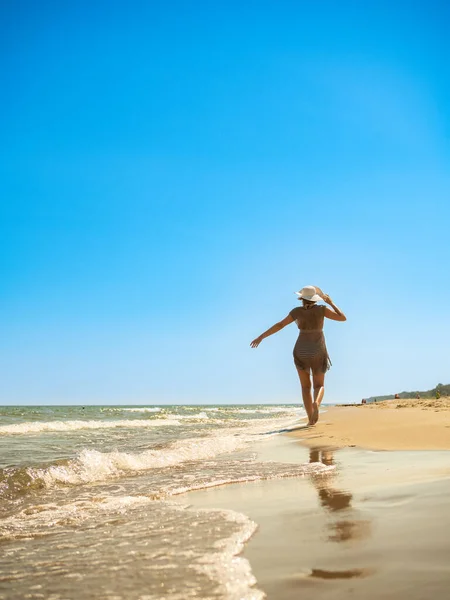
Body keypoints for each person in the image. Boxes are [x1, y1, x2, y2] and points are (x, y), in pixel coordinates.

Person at [250, 285, 346, 426]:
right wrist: (330, 302)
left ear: (301, 298)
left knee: (305, 387)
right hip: (318, 349)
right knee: (319, 385)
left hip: (301, 350)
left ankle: (310, 420)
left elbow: (280, 325)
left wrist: (261, 337)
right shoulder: (322, 310)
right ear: (315, 299)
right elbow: (342, 318)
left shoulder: (296, 312)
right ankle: (316, 403)